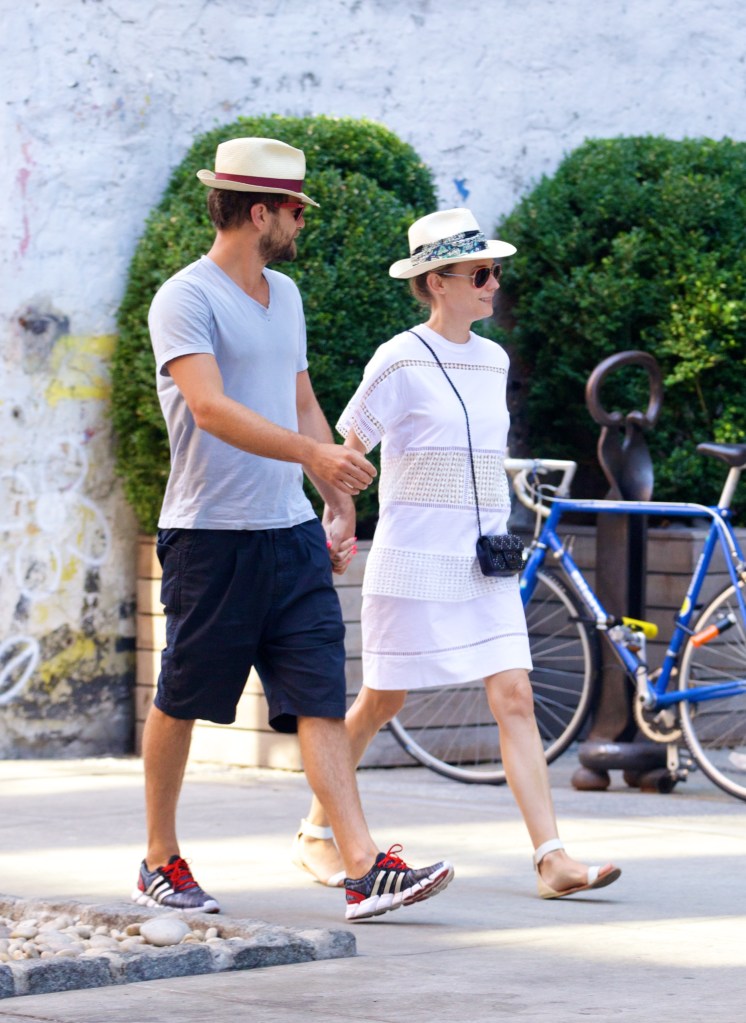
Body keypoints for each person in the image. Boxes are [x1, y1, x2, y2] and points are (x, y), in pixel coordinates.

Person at [134, 137, 454, 922]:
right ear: (256, 211)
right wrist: (310, 450)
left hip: (289, 534)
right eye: (294, 210)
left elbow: (302, 398)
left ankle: (360, 865)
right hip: (212, 537)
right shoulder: (187, 297)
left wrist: (332, 486)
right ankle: (158, 858)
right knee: (182, 695)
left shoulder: (289, 295)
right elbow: (209, 408)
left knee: (318, 694)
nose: (302, 223)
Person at [292, 207, 622, 900]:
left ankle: (552, 857)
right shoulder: (399, 358)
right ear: (437, 281)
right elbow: (344, 450)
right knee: (383, 698)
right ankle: (318, 831)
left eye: (496, 270)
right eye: (480, 272)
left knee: (515, 695)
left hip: (485, 561)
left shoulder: (494, 358)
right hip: (413, 558)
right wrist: (339, 515)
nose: (493, 283)